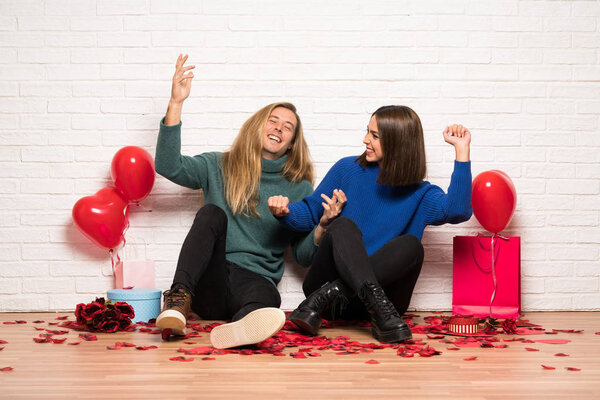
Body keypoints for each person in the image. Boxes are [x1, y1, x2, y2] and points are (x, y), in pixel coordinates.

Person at [268, 105, 472, 343]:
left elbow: (458, 210)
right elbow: (310, 210)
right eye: (368, 131)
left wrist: (462, 150)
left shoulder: (421, 194)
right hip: (333, 301)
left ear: (398, 143)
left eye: (375, 136)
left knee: (411, 245)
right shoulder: (348, 169)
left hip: (372, 305)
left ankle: (337, 295)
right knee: (343, 225)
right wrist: (284, 211)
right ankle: (350, 301)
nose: (365, 140)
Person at [154, 54, 317, 349]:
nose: (279, 128)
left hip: (255, 282)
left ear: (292, 142)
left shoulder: (300, 187)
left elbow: (304, 255)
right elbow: (168, 166)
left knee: (268, 301)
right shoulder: (218, 165)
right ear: (259, 126)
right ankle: (178, 301)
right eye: (273, 120)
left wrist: (320, 225)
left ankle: (238, 329)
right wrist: (175, 103)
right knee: (212, 213)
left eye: (288, 126)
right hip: (211, 282)